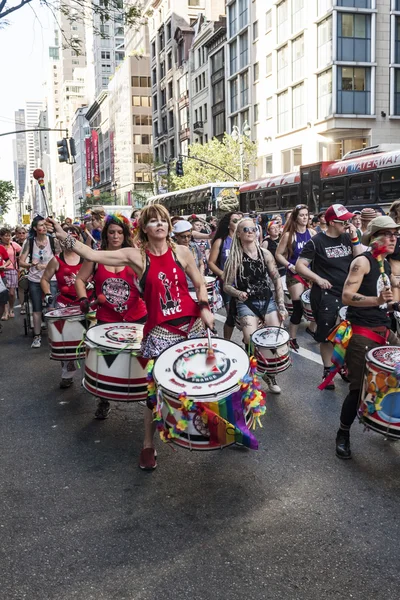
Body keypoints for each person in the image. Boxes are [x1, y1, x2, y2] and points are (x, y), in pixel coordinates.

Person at [49, 204, 214, 471]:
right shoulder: (135, 256)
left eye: (163, 220)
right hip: (161, 331)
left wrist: (204, 308)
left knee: (202, 378)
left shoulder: (182, 251)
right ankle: (148, 445)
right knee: (154, 390)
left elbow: (198, 282)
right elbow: (91, 253)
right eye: (153, 221)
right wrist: (63, 236)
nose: (160, 224)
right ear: (144, 228)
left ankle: (211, 425)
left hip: (192, 326)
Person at [335, 216, 400, 459]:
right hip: (362, 333)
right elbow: (346, 296)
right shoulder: (362, 262)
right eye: (388, 233)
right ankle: (343, 433)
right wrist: (377, 301)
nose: (393, 237)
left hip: (384, 330)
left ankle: (390, 422)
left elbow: (389, 298)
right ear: (374, 238)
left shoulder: (385, 262)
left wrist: (393, 303)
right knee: (358, 388)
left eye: (395, 233)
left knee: (398, 375)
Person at [75, 213, 147, 419]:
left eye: (119, 232)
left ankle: (148, 395)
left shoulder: (136, 255)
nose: (115, 236)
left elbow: (149, 282)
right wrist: (83, 299)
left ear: (126, 235)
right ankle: (103, 400)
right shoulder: (96, 257)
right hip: (107, 318)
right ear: (106, 234)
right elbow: (79, 280)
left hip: (137, 315)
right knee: (105, 360)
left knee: (143, 358)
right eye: (111, 232)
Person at [295, 204, 363, 389]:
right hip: (325, 294)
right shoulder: (316, 241)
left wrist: (355, 238)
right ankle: (327, 369)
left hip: (347, 293)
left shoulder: (348, 238)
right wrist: (317, 278)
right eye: (344, 221)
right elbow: (300, 265)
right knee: (326, 335)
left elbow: (359, 260)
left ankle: (343, 366)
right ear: (332, 222)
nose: (348, 224)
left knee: (347, 334)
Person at [223, 217, 288, 394]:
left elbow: (276, 280)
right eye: (246, 229)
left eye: (253, 229)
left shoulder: (265, 254)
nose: (250, 231)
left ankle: (269, 376)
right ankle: (250, 376)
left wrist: (281, 305)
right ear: (238, 235)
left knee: (274, 341)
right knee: (250, 340)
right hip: (247, 304)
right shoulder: (235, 257)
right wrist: (238, 293)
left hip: (267, 301)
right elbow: (226, 286)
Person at [41, 225, 87, 389]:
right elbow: (45, 279)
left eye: (74, 236)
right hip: (64, 305)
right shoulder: (56, 259)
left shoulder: (88, 258)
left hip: (86, 305)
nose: (69, 240)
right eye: (66, 237)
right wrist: (47, 295)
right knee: (66, 344)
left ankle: (91, 376)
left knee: (90, 343)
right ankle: (68, 374)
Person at [275, 204, 316, 349]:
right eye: (301, 215)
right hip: (294, 274)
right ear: (295, 217)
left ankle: (311, 329)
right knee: (298, 307)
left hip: (310, 274)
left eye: (306, 215)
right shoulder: (289, 235)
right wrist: (289, 265)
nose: (305, 218)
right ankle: (292, 338)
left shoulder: (312, 233)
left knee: (316, 304)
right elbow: (278, 254)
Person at [19, 216, 57, 348]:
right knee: (37, 309)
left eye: (45, 225)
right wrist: (31, 265)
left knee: (51, 307)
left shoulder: (52, 240)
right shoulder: (29, 242)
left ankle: (54, 336)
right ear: (35, 228)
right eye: (41, 225)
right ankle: (37, 336)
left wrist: (48, 266)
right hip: (34, 279)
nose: (44, 227)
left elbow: (59, 258)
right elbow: (21, 262)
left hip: (51, 279)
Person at [208, 212, 241, 340]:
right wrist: (223, 275)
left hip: (243, 283)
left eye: (240, 220)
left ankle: (248, 342)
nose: (238, 223)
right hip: (228, 284)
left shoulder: (244, 240)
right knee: (232, 315)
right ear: (228, 225)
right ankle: (227, 342)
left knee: (246, 314)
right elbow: (211, 263)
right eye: (235, 221)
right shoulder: (221, 241)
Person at [173, 220, 205, 288]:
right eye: (183, 236)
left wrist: (201, 276)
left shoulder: (194, 246)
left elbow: (201, 263)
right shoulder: (173, 250)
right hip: (181, 286)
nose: (186, 239)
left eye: (189, 236)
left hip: (196, 284)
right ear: (176, 236)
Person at [0, 227, 21, 320]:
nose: (8, 237)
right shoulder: (1, 247)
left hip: (12, 270)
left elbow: (22, 252)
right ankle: (5, 311)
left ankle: (11, 308)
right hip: (2, 272)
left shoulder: (14, 245)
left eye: (9, 235)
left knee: (11, 293)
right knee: (4, 293)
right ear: (1, 237)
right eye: (5, 236)